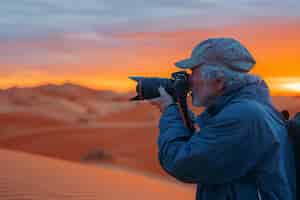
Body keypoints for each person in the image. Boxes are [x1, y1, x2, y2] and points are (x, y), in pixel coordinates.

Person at [149, 38, 296, 200]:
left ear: (218, 81)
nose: (189, 81)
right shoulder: (253, 108)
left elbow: (180, 162)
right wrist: (179, 111)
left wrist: (169, 111)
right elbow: (205, 148)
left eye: (193, 73)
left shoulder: (243, 117)